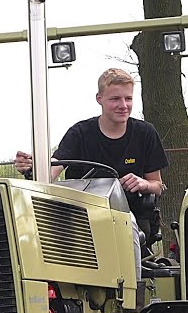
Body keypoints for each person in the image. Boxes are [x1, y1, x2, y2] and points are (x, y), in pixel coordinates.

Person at [14, 68, 169, 245]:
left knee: (127, 233)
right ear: (99, 99)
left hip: (128, 216)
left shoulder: (145, 133)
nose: (123, 105)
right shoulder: (80, 133)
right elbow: (53, 168)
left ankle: (132, 272)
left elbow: (157, 185)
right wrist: (35, 166)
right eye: (115, 99)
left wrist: (143, 184)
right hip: (81, 219)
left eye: (128, 98)